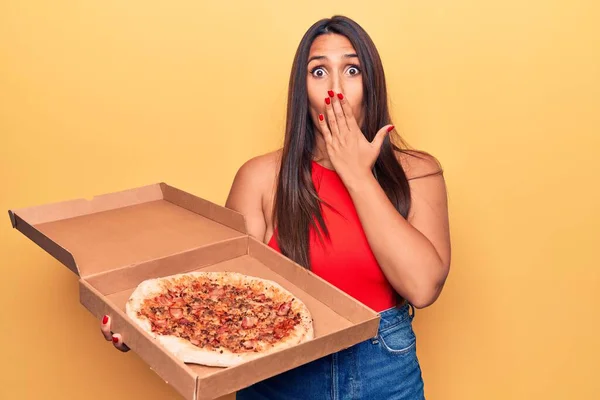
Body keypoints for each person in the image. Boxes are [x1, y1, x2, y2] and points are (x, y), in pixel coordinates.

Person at [101, 15, 450, 400]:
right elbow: (224, 302)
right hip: (279, 376)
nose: (336, 89)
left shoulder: (417, 172)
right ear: (302, 89)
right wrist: (144, 329)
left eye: (352, 70)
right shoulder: (261, 178)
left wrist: (357, 175)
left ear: (371, 84)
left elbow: (422, 287)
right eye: (319, 72)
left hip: (383, 370)